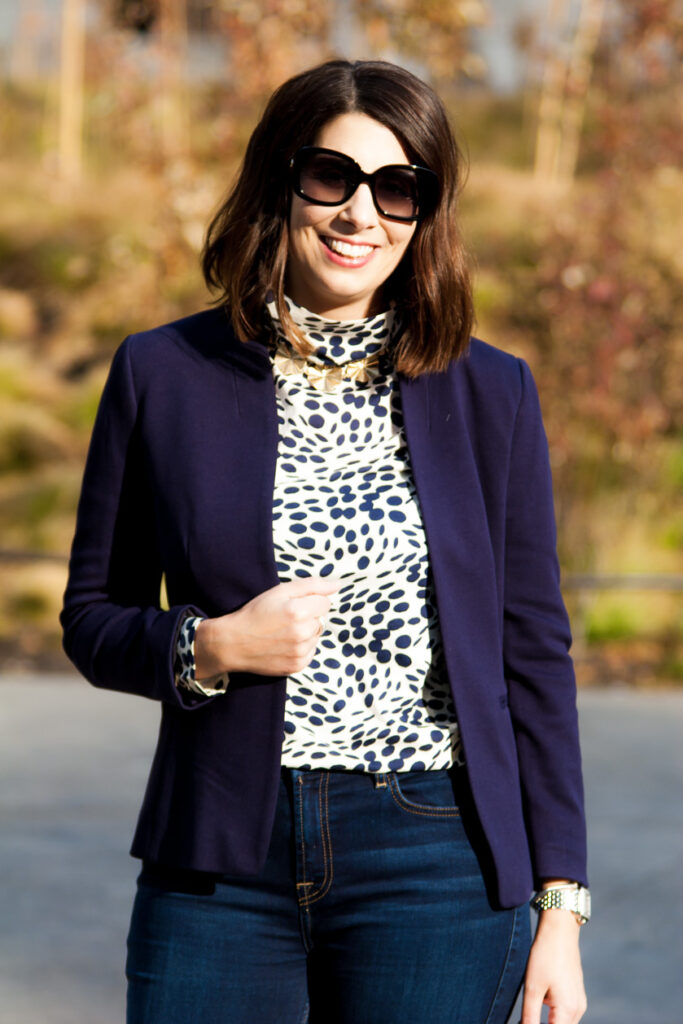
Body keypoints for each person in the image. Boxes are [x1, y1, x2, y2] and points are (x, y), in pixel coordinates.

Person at [61, 59, 589, 1024]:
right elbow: (93, 619)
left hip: (434, 857)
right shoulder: (161, 373)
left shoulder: (491, 391)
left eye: (397, 188)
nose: (360, 213)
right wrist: (209, 646)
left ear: (425, 212)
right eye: (331, 177)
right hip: (220, 856)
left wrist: (560, 905)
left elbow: (531, 656)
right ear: (281, 182)